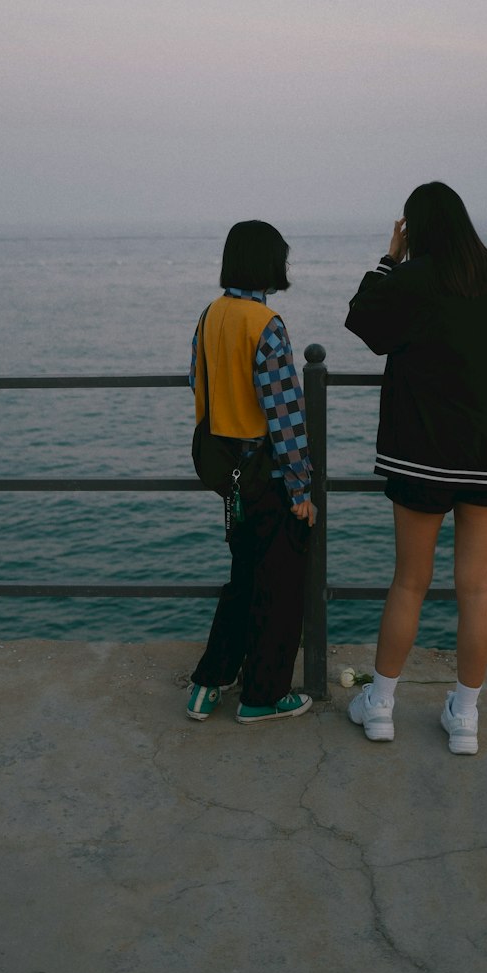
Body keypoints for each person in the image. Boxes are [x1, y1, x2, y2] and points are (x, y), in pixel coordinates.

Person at [344, 182, 487, 755]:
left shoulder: (413, 278)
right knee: (476, 586)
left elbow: (364, 323)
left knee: (409, 581)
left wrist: (388, 259)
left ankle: (381, 707)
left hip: (421, 450)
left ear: (414, 228)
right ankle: (465, 717)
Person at [186, 219, 317, 724]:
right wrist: (301, 487)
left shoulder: (210, 314)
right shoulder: (266, 323)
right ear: (268, 264)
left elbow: (195, 378)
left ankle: (207, 686)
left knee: (241, 579)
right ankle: (262, 697)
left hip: (229, 473)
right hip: (269, 476)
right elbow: (284, 413)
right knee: (279, 588)